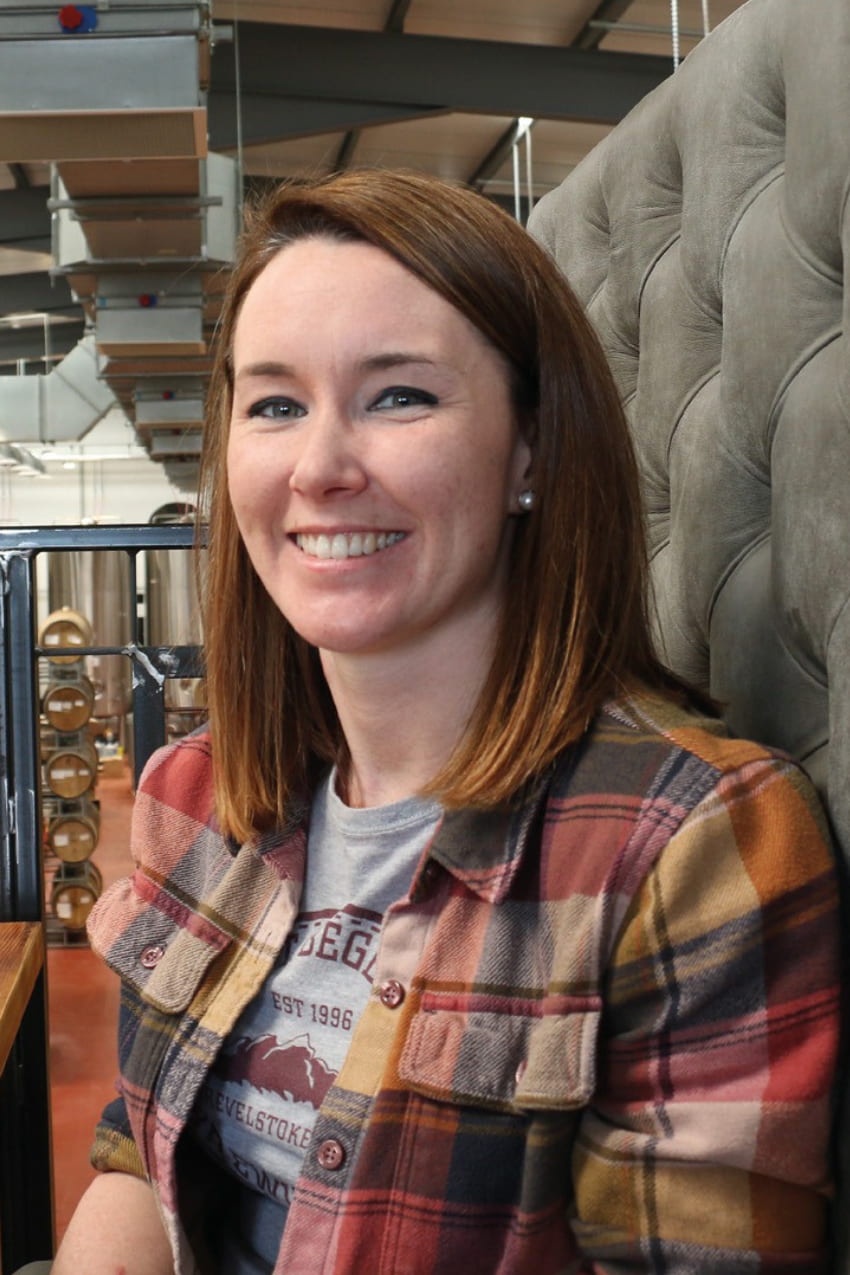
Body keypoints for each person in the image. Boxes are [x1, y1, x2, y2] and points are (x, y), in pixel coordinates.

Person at [53, 169, 840, 1274]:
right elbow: (140, 1166)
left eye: (399, 397)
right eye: (275, 404)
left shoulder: (691, 844)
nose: (321, 468)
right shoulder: (197, 790)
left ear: (529, 450)